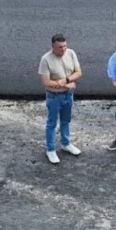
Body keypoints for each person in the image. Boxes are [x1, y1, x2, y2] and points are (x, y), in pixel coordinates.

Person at [39, 34, 82, 164]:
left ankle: (65, 143)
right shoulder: (45, 59)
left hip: (68, 94)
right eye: (59, 47)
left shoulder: (71, 53)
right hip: (54, 96)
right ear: (52, 46)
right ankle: (51, 150)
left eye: (64, 46)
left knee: (66, 120)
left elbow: (78, 72)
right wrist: (63, 83)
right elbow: (46, 82)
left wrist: (67, 80)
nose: (63, 50)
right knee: (51, 123)